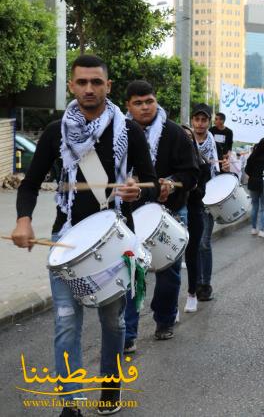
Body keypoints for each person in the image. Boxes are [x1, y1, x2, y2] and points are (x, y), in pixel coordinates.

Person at [12, 55, 157, 416]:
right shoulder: (55, 131)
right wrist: (24, 220)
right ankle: (71, 403)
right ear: (71, 86)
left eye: (96, 82)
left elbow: (152, 184)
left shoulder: (129, 131)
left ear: (108, 86)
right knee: (65, 324)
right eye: (82, 82)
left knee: (113, 321)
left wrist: (137, 190)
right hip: (68, 241)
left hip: (114, 241)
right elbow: (30, 185)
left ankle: (109, 387)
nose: (89, 89)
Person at [123, 80, 199, 348]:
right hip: (130, 217)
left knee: (168, 272)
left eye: (149, 101)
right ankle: (128, 334)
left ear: (156, 101)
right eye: (138, 103)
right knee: (130, 274)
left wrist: (172, 181)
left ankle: (164, 320)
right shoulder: (119, 134)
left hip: (171, 212)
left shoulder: (175, 133)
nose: (145, 108)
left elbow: (192, 173)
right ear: (128, 106)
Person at [181, 125, 211, 313]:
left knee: (192, 254)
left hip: (194, 213)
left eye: (187, 137)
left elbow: (201, 193)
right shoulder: (169, 164)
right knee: (172, 261)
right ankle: (169, 307)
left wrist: (189, 187)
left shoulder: (202, 165)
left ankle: (192, 293)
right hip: (173, 214)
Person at [191, 104, 220, 301]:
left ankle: (204, 285)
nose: (200, 123)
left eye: (204, 120)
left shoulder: (215, 144)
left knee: (204, 243)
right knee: (191, 245)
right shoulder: (184, 140)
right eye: (197, 119)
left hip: (208, 198)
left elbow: (221, 172)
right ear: (192, 121)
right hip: (188, 199)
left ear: (209, 122)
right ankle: (193, 286)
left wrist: (224, 167)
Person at [244, 137, 264, 237]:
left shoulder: (253, 156)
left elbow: (247, 170)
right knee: (263, 207)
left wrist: (253, 175)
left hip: (253, 183)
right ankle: (262, 230)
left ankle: (253, 228)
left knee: (254, 206)